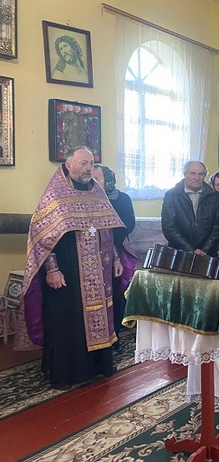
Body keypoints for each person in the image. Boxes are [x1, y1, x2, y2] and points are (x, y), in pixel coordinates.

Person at [18, 146, 136, 389]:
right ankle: (67, 373)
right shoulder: (55, 195)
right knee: (68, 322)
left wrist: (116, 258)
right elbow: (42, 237)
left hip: (100, 273)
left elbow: (110, 230)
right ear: (68, 164)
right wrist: (52, 269)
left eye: (91, 164)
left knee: (100, 316)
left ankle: (98, 366)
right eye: (83, 164)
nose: (88, 169)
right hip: (67, 274)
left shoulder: (97, 193)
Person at [92, 164, 136, 340]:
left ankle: (114, 331)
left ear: (108, 181)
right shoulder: (85, 199)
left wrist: (109, 237)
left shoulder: (121, 199)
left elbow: (128, 224)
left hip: (117, 250)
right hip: (91, 252)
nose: (92, 182)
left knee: (115, 291)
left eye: (97, 179)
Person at [161, 161, 219, 257]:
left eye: (201, 174)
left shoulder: (214, 196)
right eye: (193, 173)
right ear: (185, 174)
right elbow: (169, 228)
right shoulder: (171, 195)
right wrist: (191, 250)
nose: (197, 178)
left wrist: (204, 250)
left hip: (207, 254)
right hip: (179, 254)